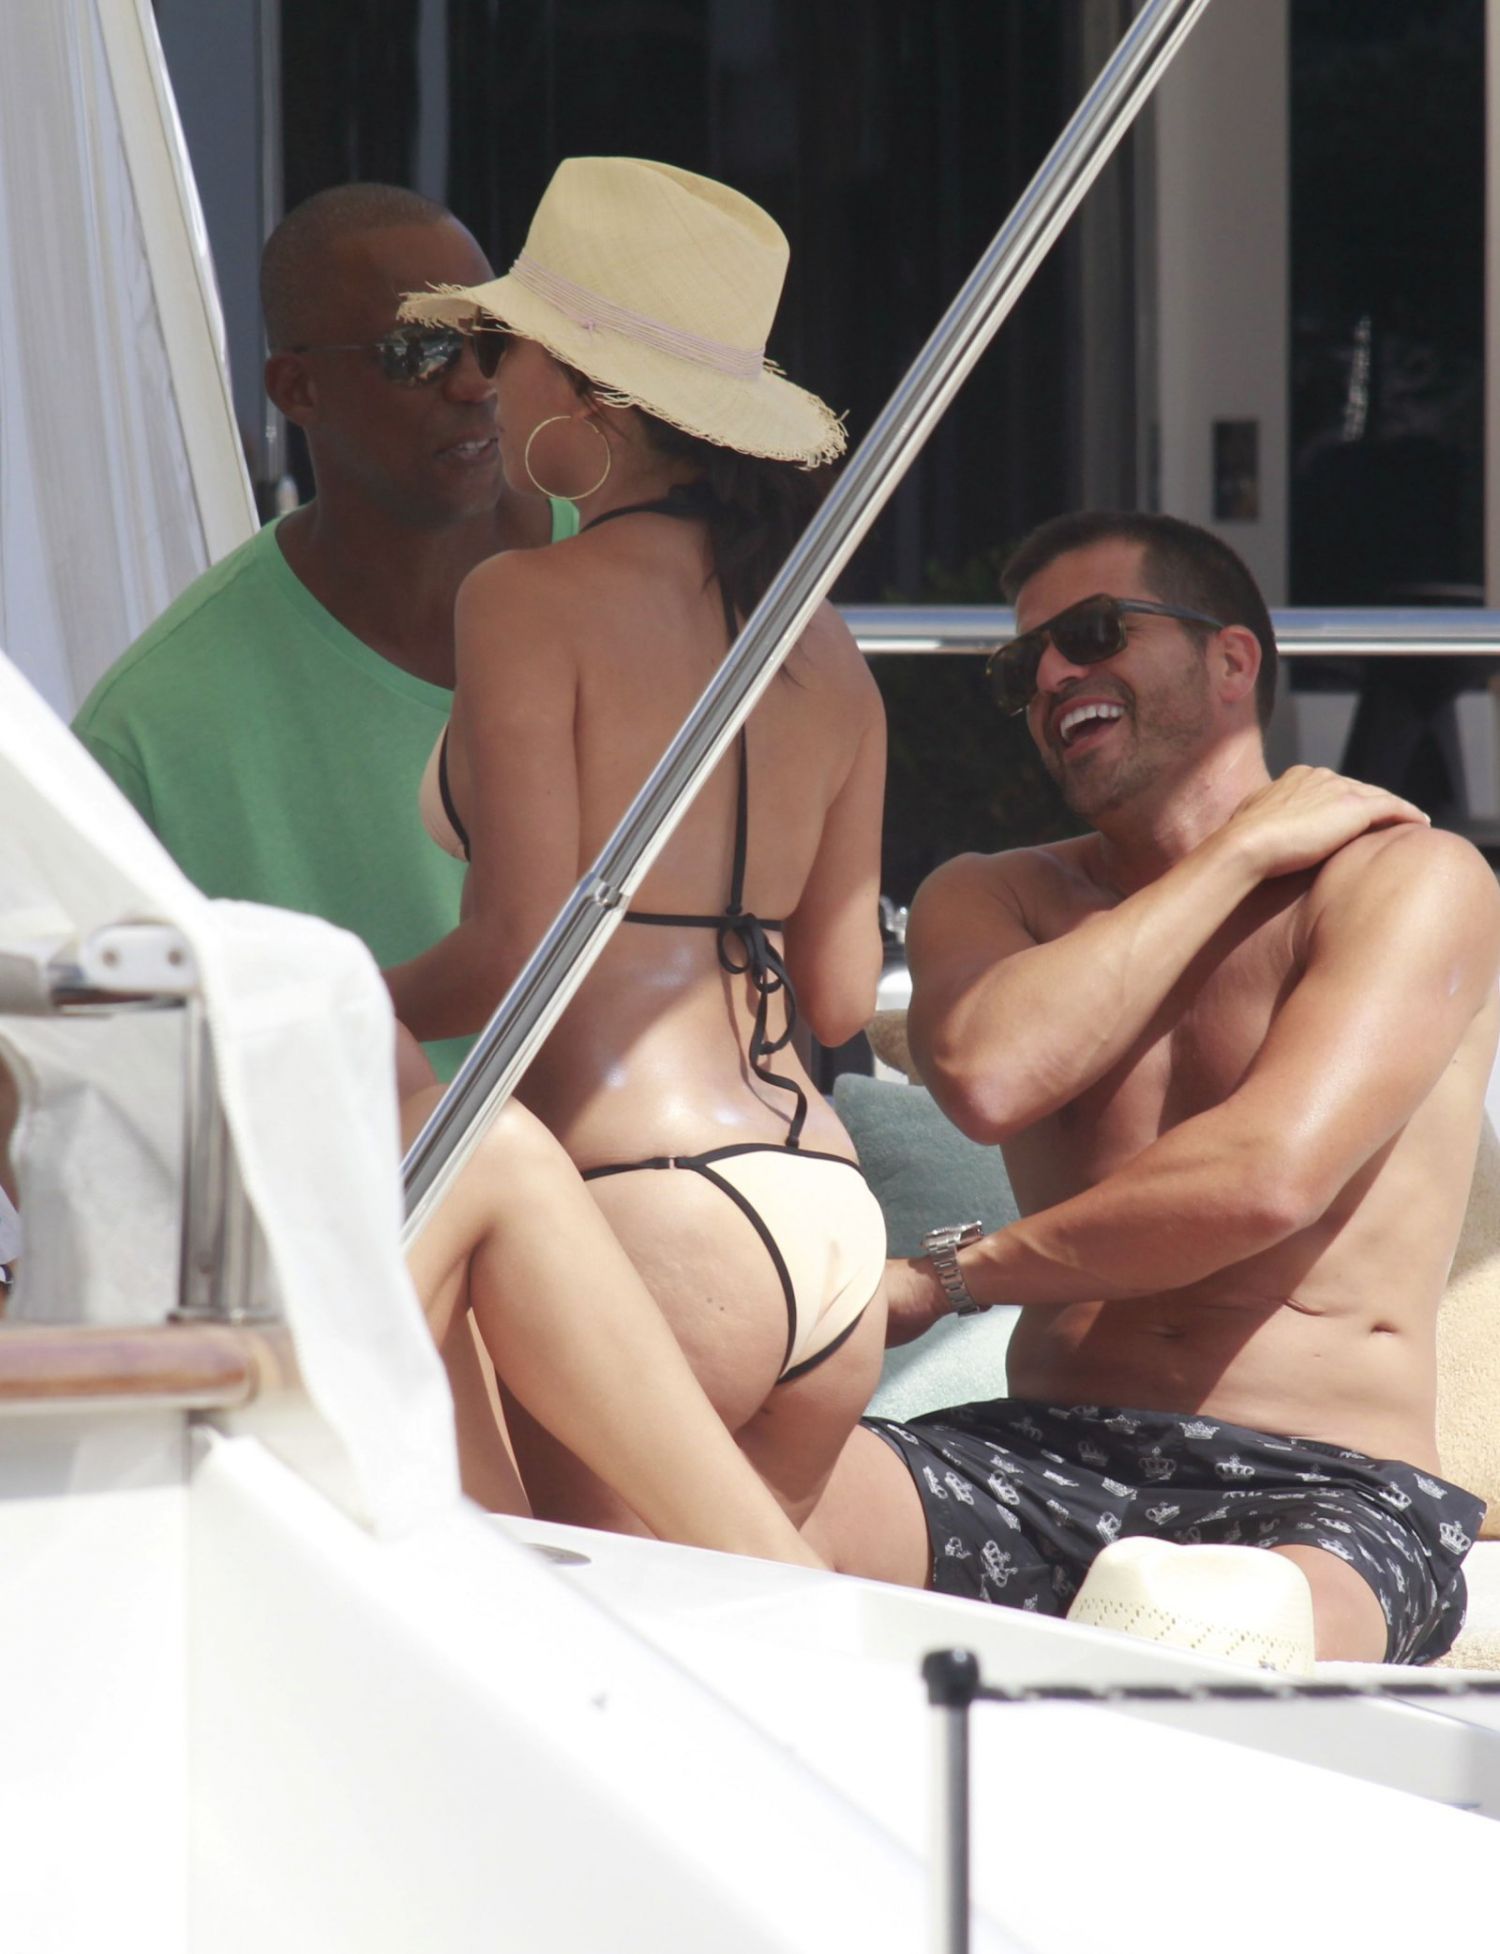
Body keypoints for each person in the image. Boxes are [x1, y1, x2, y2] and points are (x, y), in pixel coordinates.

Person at [803, 511, 1499, 1665]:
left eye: (1092, 633)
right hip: (1044, 1452)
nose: (1051, 677)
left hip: (1323, 1487)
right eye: (1023, 665)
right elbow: (989, 1076)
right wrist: (1232, 855)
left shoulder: (1411, 875)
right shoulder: (993, 897)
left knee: (1213, 1622)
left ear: (1232, 659)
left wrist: (948, 1278)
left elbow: (1263, 1179)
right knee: (734, 1498)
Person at [391, 157, 889, 1533]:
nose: (484, 383)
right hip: (827, 1213)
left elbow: (513, 949)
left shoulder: (525, 599)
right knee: (734, 1635)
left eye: (506, 349)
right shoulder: (825, 647)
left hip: (641, 1206)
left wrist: (334, 997)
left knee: (578, 1640)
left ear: (589, 394)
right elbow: (842, 994)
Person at [72, 183, 579, 1084]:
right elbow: (85, 1061)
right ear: (297, 389)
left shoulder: (643, 584)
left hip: (674, 1154)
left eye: (493, 338)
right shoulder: (149, 728)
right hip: (370, 1174)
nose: (475, 382)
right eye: (419, 350)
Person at [397, 1028, 822, 1569]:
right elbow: (841, 1009)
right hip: (795, 1146)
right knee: (470, 1134)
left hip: (638, 1171)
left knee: (467, 1133)